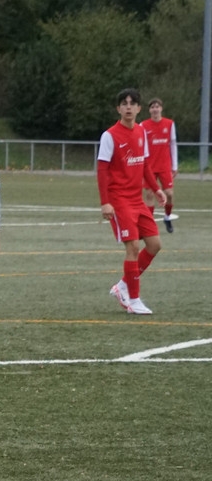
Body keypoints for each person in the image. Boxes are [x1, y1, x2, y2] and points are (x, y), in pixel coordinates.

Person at [98, 88, 166, 315]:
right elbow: (102, 170)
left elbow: (145, 164)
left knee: (155, 244)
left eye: (132, 103)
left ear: (138, 108)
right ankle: (133, 301)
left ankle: (123, 286)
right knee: (133, 247)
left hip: (137, 200)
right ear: (118, 108)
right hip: (119, 200)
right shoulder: (109, 136)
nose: (128, 107)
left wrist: (156, 189)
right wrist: (105, 202)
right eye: (124, 103)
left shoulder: (141, 132)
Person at [140, 97, 178, 233]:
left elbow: (173, 145)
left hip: (164, 166)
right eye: (152, 107)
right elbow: (140, 146)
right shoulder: (143, 125)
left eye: (157, 107)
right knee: (149, 194)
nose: (155, 109)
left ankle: (167, 217)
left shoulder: (169, 124)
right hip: (149, 167)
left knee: (169, 193)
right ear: (149, 110)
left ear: (161, 108)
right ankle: (150, 225)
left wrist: (175, 166)